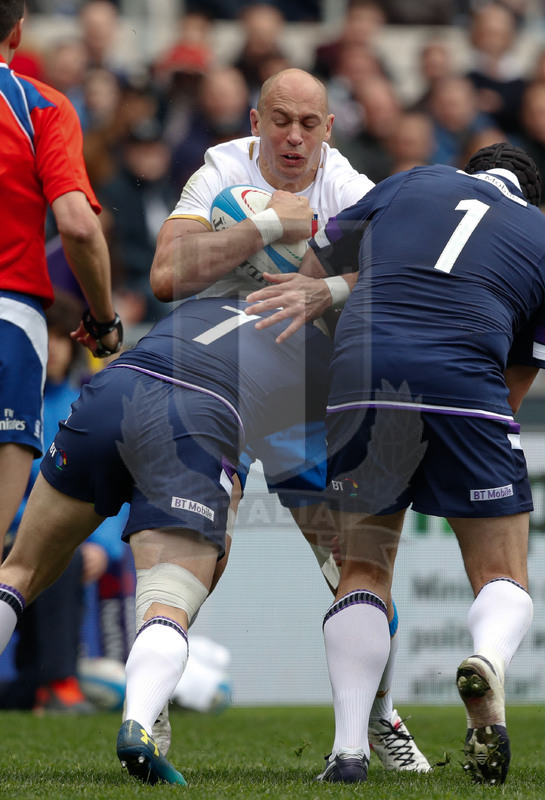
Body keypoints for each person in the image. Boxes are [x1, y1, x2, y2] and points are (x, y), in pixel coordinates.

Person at [150, 66, 430, 772]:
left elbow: (402, 280)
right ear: (254, 120)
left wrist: (324, 289)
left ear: (329, 129)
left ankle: (377, 715)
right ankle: (150, 706)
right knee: (197, 542)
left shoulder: (349, 188)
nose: (294, 137)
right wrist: (263, 230)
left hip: (302, 392)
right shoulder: (219, 167)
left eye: (309, 123)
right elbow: (164, 275)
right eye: (280, 119)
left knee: (353, 565)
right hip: (211, 382)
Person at [247, 142, 542, 785]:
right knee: (502, 571)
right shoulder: (539, 233)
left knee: (361, 567)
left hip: (364, 372)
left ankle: (349, 750)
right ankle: (487, 661)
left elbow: (320, 265)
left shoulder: (413, 183)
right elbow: (514, 386)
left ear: (466, 173)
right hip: (468, 379)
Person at [0, 295, 334, 786]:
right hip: (193, 414)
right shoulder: (325, 348)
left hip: (110, 390)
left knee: (18, 572)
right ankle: (141, 723)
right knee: (168, 602)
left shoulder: (205, 303)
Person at [0, 1, 122, 555]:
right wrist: (103, 317)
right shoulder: (39, 105)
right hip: (9, 318)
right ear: (18, 30)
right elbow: (76, 224)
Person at [0, 290, 109, 715]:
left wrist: (106, 546)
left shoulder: (86, 403)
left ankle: (56, 683)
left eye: (62, 340)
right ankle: (45, 687)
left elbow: (109, 478)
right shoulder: (10, 400)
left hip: (53, 536)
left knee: (67, 555)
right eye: (44, 338)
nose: (53, 350)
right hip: (12, 530)